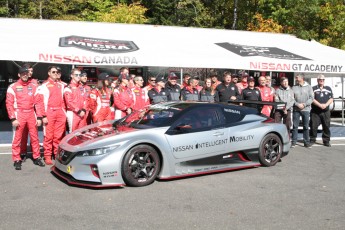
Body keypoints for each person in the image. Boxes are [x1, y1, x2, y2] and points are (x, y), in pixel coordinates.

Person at [6, 67, 45, 170]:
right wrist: (13, 118)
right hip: (19, 114)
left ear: (28, 75)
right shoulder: (12, 87)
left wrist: (40, 117)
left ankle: (36, 157)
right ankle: (17, 159)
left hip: (31, 114)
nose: (25, 75)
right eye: (22, 73)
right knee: (17, 139)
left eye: (26, 73)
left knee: (34, 137)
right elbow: (9, 104)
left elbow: (38, 102)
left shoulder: (33, 86)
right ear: (19, 75)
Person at [37, 66, 67, 165]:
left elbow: (64, 100)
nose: (55, 73)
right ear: (49, 73)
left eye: (57, 72)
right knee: (48, 136)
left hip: (60, 112)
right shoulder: (44, 85)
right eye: (53, 72)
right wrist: (43, 116)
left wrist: (64, 112)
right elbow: (39, 102)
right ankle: (47, 156)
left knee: (58, 136)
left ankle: (56, 154)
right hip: (49, 112)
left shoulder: (62, 85)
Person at [20, 63, 38, 160]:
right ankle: (22, 152)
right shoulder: (20, 82)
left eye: (31, 71)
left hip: (33, 112)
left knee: (34, 135)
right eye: (28, 71)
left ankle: (35, 154)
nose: (30, 73)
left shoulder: (35, 82)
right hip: (22, 113)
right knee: (23, 134)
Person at [310, 74, 333, 147]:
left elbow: (331, 98)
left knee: (326, 126)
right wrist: (319, 105)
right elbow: (312, 99)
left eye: (323, 80)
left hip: (326, 111)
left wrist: (326, 105)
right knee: (313, 126)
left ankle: (326, 141)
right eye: (320, 79)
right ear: (317, 80)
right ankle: (312, 139)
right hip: (315, 112)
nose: (321, 81)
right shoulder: (313, 88)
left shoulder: (328, 88)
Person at [291, 73, 314, 148]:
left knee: (306, 126)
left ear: (301, 78)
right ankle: (293, 142)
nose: (296, 79)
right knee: (295, 126)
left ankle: (306, 142)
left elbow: (311, 98)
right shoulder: (294, 87)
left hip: (306, 109)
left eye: (297, 77)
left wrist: (304, 104)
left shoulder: (309, 87)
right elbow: (291, 98)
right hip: (296, 109)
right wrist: (297, 104)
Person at [64, 68, 87, 133]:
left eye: (79, 75)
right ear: (72, 75)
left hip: (82, 113)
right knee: (73, 134)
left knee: (82, 133)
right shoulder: (68, 87)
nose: (78, 76)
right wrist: (78, 111)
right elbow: (69, 102)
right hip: (73, 113)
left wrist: (84, 109)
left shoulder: (82, 87)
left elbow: (86, 100)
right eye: (76, 75)